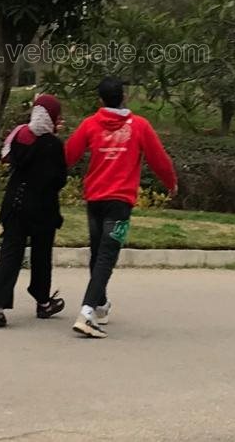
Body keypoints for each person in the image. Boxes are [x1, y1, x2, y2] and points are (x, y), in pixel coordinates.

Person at [64, 77, 177, 338]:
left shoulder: (90, 124)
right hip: (121, 203)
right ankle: (87, 313)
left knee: (97, 254)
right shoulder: (140, 126)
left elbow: (68, 155)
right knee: (107, 256)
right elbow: (159, 159)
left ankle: (100, 304)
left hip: (95, 200)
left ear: (100, 100)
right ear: (124, 97)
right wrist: (171, 183)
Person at [0, 94, 67, 328]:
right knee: (41, 256)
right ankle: (43, 301)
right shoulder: (53, 145)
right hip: (43, 208)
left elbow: (9, 158)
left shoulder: (20, 135)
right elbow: (60, 179)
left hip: (15, 204)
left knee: (10, 255)